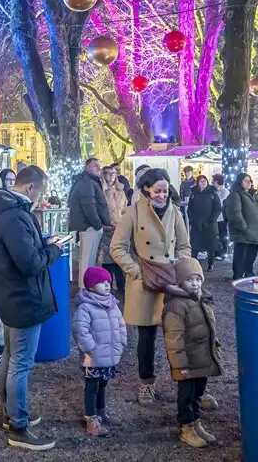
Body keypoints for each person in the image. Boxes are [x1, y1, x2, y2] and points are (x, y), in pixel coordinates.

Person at [0, 166, 62, 451]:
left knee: (11, 354)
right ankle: (18, 424)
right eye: (40, 193)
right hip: (23, 296)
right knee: (21, 361)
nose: (41, 199)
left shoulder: (5, 211)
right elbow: (29, 263)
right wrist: (54, 251)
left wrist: (42, 243)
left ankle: (12, 413)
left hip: (10, 294)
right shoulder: (15, 216)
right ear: (30, 188)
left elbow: (21, 250)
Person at [110, 168, 197, 408]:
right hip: (145, 282)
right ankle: (146, 382)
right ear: (146, 190)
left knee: (177, 333)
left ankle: (185, 382)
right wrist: (137, 271)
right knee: (146, 337)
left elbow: (184, 245)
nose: (161, 195)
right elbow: (117, 248)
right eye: (157, 191)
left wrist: (179, 265)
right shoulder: (132, 212)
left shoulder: (175, 212)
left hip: (171, 280)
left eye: (165, 191)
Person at [163, 257, 222, 449]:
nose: (195, 283)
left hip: (201, 358)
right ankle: (186, 428)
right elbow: (174, 338)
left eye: (198, 278)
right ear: (179, 281)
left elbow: (210, 327)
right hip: (187, 362)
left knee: (198, 393)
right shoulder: (176, 305)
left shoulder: (203, 298)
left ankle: (197, 423)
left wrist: (215, 348)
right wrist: (180, 365)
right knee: (186, 396)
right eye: (189, 279)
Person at [71, 266, 127, 437]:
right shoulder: (86, 307)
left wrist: (122, 342)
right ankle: (91, 418)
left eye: (108, 282)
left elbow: (121, 325)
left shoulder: (112, 304)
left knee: (103, 384)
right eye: (101, 283)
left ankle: (101, 412)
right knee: (92, 386)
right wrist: (90, 348)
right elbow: (80, 329)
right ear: (90, 286)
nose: (107, 285)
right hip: (93, 357)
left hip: (109, 354)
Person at [68, 158, 113, 289]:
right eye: (95, 166)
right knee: (86, 261)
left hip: (89, 226)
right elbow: (89, 207)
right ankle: (84, 288)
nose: (98, 168)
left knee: (89, 260)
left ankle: (87, 287)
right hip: (88, 227)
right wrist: (98, 225)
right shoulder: (86, 183)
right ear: (87, 167)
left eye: (99, 166)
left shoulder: (89, 181)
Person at [223, 173, 258, 280]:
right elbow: (235, 214)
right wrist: (245, 228)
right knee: (241, 256)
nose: (248, 182)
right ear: (240, 182)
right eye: (245, 180)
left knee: (251, 255)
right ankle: (238, 276)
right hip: (243, 232)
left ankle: (248, 273)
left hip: (256, 232)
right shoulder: (235, 194)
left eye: (249, 180)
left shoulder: (254, 194)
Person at [98, 164, 128, 295]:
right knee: (107, 261)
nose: (111, 175)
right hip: (106, 229)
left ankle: (122, 288)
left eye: (113, 173)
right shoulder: (99, 191)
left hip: (120, 229)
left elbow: (125, 209)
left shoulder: (121, 191)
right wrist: (104, 224)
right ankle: (107, 289)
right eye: (108, 173)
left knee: (120, 260)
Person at [187, 175, 222, 271]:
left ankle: (211, 264)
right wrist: (192, 218)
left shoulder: (212, 193)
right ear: (197, 182)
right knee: (195, 244)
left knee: (210, 244)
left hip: (210, 223)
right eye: (201, 181)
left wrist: (213, 219)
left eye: (205, 181)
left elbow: (218, 208)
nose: (203, 182)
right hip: (196, 223)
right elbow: (190, 208)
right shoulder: (193, 194)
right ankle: (193, 264)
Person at [212, 175, 229, 261]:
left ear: (216, 182)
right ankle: (216, 252)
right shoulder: (214, 191)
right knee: (216, 235)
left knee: (222, 235)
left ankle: (223, 252)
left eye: (213, 181)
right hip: (215, 217)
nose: (211, 182)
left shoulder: (224, 191)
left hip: (221, 217)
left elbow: (222, 203)